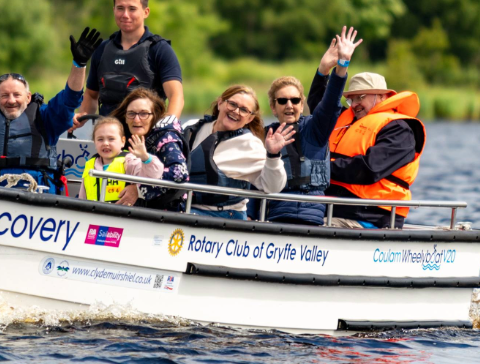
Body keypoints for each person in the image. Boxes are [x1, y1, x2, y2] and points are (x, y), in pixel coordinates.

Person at [0, 29, 102, 194]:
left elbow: (70, 98)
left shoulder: (46, 118)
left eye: (17, 95)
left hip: (35, 192)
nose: (11, 100)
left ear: (28, 97)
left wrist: (79, 64)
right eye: (5, 95)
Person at [257, 28, 361, 224]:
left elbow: (330, 101)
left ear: (302, 103)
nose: (289, 105)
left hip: (311, 219)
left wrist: (341, 65)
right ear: (273, 106)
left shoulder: (316, 129)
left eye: (295, 100)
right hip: (275, 217)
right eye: (282, 101)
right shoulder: (262, 136)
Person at [72, 0, 183, 132]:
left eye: (132, 9)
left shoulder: (160, 49)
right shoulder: (102, 49)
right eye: (120, 8)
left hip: (145, 142)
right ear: (114, 10)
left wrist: (167, 127)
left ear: (146, 12)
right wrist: (81, 117)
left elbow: (176, 96)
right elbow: (92, 96)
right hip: (109, 140)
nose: (125, 14)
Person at [325, 72, 426, 229]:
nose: (354, 104)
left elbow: (369, 169)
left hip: (372, 217)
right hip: (336, 210)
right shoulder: (348, 120)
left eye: (361, 97)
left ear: (382, 97)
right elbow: (320, 106)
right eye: (351, 99)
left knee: (307, 222)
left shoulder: (399, 130)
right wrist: (324, 70)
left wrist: (321, 169)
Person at [181, 85, 295, 219]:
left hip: (222, 214)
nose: (236, 111)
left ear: (250, 118)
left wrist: (273, 155)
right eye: (232, 104)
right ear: (220, 104)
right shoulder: (191, 127)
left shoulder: (249, 144)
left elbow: (273, 187)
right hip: (185, 206)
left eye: (244, 110)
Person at [109, 87, 189, 211]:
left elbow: (179, 172)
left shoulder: (167, 137)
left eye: (144, 114)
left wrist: (139, 189)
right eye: (131, 113)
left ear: (155, 116)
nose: (136, 119)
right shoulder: (123, 138)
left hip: (167, 213)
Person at [77, 117, 164, 202]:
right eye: (100, 139)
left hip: (122, 214)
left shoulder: (129, 161)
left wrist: (145, 157)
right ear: (94, 143)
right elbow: (82, 197)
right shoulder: (90, 165)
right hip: (93, 214)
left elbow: (154, 174)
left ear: (122, 141)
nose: (105, 143)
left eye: (111, 139)